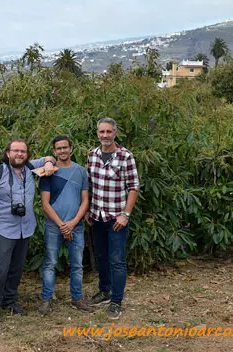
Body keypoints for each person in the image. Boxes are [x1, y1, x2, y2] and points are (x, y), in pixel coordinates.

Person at [0, 139, 56, 323]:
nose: (19, 154)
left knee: (16, 268)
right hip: (3, 228)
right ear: (8, 153)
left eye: (23, 151)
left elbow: (50, 157)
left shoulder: (31, 167)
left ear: (27, 154)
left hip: (25, 228)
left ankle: (10, 302)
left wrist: (48, 162)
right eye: (15, 151)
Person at [86, 118, 139, 320]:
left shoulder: (126, 157)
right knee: (101, 256)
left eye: (109, 131)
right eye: (102, 132)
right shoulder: (92, 156)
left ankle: (116, 301)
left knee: (117, 260)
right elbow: (89, 186)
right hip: (96, 218)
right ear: (97, 133)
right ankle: (105, 291)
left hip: (116, 219)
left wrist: (126, 215)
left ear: (115, 133)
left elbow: (133, 187)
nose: (105, 135)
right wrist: (87, 212)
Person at [38, 136, 93, 315]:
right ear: (54, 151)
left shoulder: (81, 172)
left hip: (75, 225)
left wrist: (73, 222)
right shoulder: (48, 172)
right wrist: (62, 225)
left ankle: (77, 299)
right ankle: (46, 299)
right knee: (50, 263)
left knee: (77, 264)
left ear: (71, 149)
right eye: (58, 148)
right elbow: (45, 203)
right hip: (54, 226)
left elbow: (85, 201)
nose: (62, 151)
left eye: (65, 148)